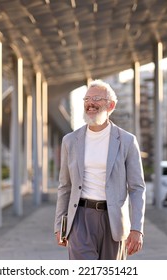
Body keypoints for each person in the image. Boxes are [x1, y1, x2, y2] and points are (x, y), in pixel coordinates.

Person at [54, 79, 146, 260]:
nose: (90, 103)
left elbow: (137, 188)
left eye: (96, 98)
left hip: (115, 222)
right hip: (80, 219)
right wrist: (59, 225)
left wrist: (137, 228)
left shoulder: (127, 141)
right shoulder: (70, 141)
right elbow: (65, 186)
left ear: (110, 105)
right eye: (87, 99)